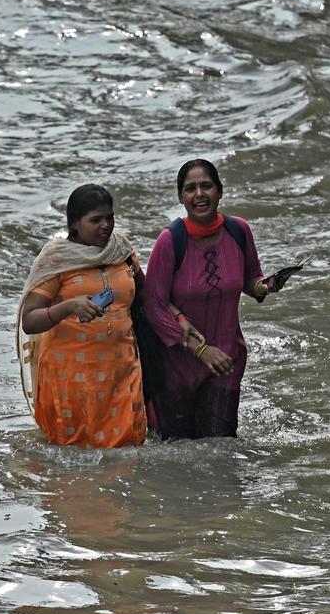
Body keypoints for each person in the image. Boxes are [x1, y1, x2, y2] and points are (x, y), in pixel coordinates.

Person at [17, 184, 198, 448]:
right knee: (76, 454)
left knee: (128, 446)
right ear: (75, 224)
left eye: (109, 217)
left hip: (122, 368)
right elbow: (30, 320)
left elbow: (147, 295)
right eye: (95, 220)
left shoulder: (121, 250)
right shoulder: (56, 260)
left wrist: (179, 316)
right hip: (71, 375)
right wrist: (68, 307)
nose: (105, 225)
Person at [141, 159, 279, 439]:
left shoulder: (239, 231)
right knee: (179, 455)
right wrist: (201, 351)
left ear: (220, 191)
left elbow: (250, 281)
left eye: (206, 186)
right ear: (181, 197)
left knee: (220, 452)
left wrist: (264, 287)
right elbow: (153, 305)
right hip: (176, 368)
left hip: (226, 361)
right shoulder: (169, 241)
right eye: (190, 189)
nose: (199, 194)